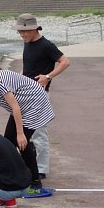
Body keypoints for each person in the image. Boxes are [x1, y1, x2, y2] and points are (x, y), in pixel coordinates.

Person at [14, 13, 70, 180]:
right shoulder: (27, 43)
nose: (23, 35)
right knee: (26, 131)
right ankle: (31, 164)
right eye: (20, 32)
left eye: (25, 32)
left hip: (39, 94)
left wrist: (48, 76)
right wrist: (20, 78)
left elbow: (65, 61)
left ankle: (40, 169)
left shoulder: (46, 45)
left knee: (38, 131)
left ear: (34, 29)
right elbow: (27, 64)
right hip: (25, 91)